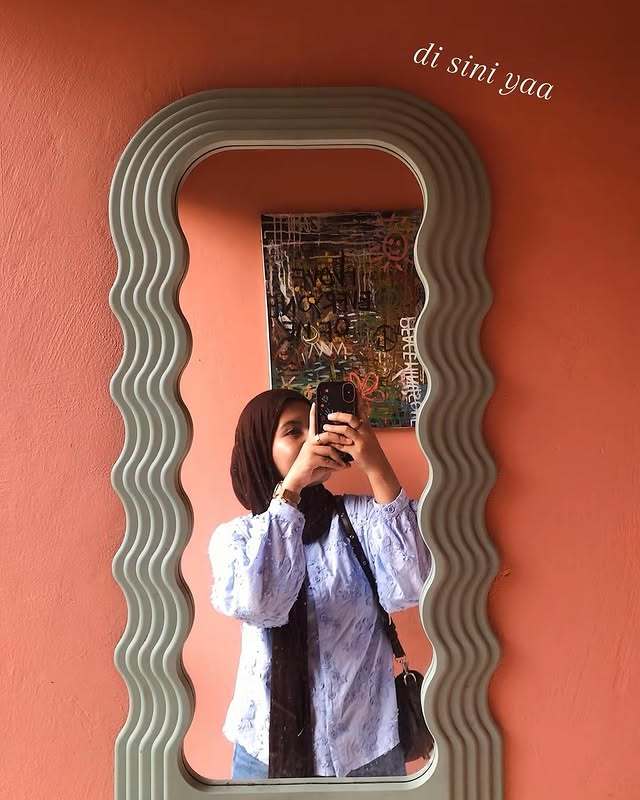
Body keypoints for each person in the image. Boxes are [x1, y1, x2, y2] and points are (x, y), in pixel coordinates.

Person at [208, 387, 431, 779]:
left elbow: (414, 583)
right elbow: (262, 605)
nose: (312, 438)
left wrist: (376, 463)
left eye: (313, 426)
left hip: (367, 747)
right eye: (293, 431)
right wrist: (291, 488)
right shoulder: (240, 539)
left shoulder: (362, 519)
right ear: (261, 450)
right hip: (264, 751)